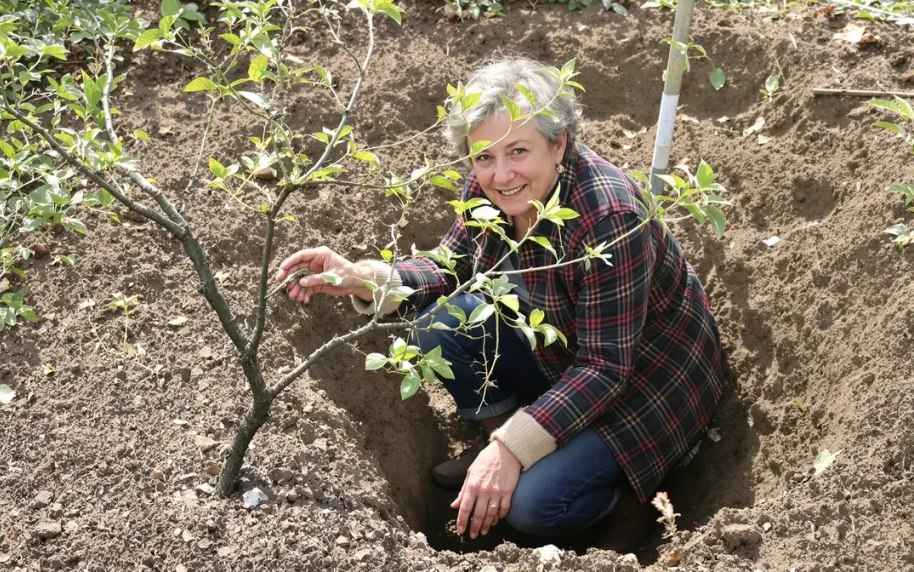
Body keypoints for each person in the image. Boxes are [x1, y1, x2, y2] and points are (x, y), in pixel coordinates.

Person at [275, 56, 729, 552]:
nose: (501, 173)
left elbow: (605, 368)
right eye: (484, 156)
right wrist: (363, 278)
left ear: (559, 144)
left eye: (519, 151)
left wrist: (512, 450)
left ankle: (623, 505)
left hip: (649, 383)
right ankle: (506, 446)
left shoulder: (609, 217)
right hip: (565, 353)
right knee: (439, 327)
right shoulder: (493, 183)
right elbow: (453, 264)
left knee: (532, 507)